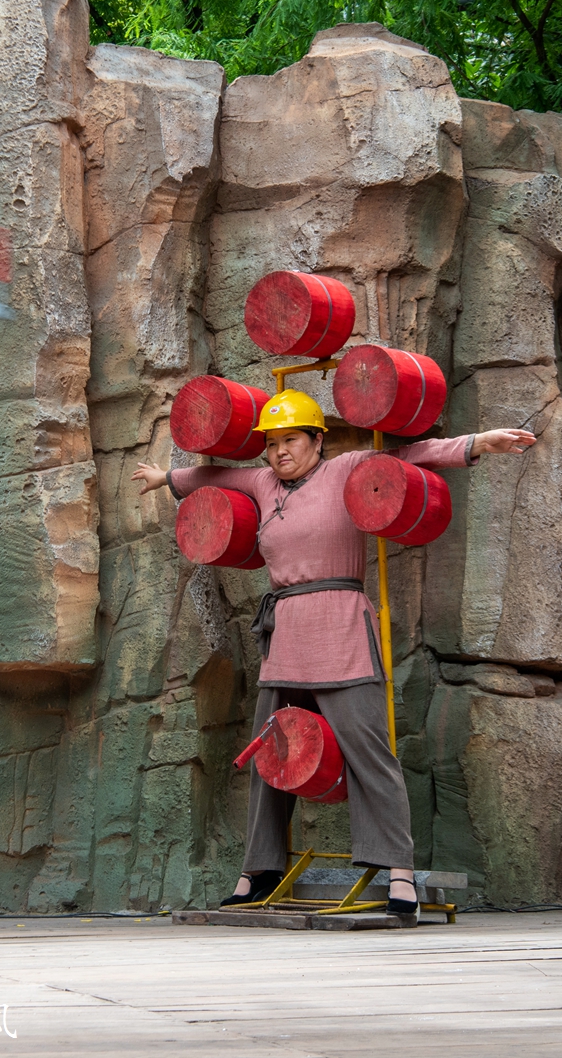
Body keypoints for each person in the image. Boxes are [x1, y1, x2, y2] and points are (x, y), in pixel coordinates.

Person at [132, 388, 536, 915]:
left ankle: (399, 876)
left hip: (341, 624)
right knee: (268, 754)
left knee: (369, 749)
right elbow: (214, 476)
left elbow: (409, 457)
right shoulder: (260, 480)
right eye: (272, 443)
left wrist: (476, 443)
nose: (279, 452)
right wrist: (168, 479)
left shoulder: (347, 468)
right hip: (287, 631)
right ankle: (258, 871)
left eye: (291, 440)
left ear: (316, 440)